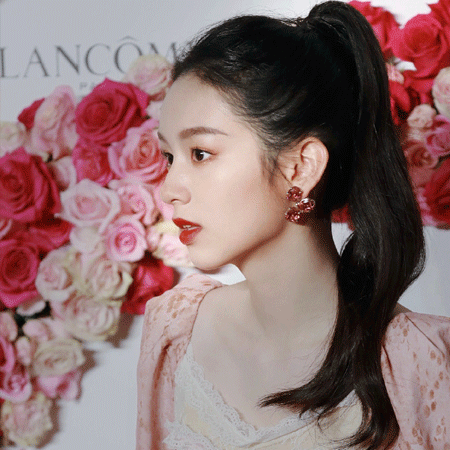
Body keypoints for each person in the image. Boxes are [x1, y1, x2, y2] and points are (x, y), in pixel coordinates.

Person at [136, 1, 450, 449]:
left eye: (200, 154)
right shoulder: (174, 328)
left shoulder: (414, 361)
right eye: (170, 157)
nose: (169, 189)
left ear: (301, 168)